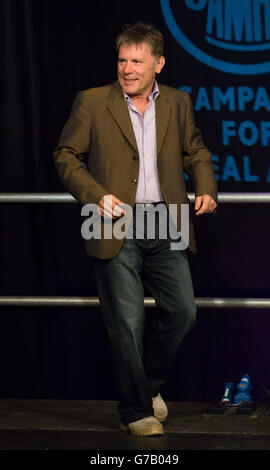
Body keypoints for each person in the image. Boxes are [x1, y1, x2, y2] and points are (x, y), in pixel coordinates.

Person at [53, 22, 217, 437]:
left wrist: (206, 187)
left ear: (158, 64)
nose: (127, 69)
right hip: (111, 219)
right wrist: (94, 195)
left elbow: (194, 149)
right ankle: (134, 410)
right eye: (123, 60)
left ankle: (148, 387)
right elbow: (66, 155)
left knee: (183, 312)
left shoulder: (178, 102)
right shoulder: (92, 101)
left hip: (165, 220)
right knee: (126, 322)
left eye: (137, 62)